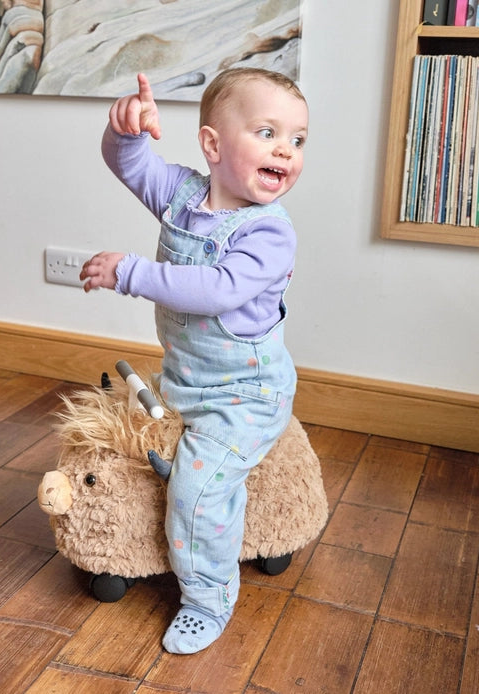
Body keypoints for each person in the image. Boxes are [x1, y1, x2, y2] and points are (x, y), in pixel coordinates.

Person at [80, 68, 308, 654]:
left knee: (195, 492)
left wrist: (130, 273)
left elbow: (216, 288)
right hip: (188, 380)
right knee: (147, 437)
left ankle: (208, 596)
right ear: (212, 145)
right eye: (267, 131)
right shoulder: (183, 194)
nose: (285, 148)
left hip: (246, 397)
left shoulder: (270, 233)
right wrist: (126, 132)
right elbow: (130, 166)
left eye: (298, 139)